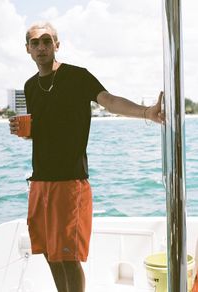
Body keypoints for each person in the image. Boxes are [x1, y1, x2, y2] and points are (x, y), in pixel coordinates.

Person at [9, 22, 164, 292]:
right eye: (35, 43)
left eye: (47, 41)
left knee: (68, 257)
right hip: (40, 181)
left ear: (57, 45)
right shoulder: (30, 86)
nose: (42, 47)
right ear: (28, 50)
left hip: (70, 182)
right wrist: (25, 132)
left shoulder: (77, 77)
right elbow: (43, 130)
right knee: (49, 253)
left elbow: (110, 100)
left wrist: (146, 112)